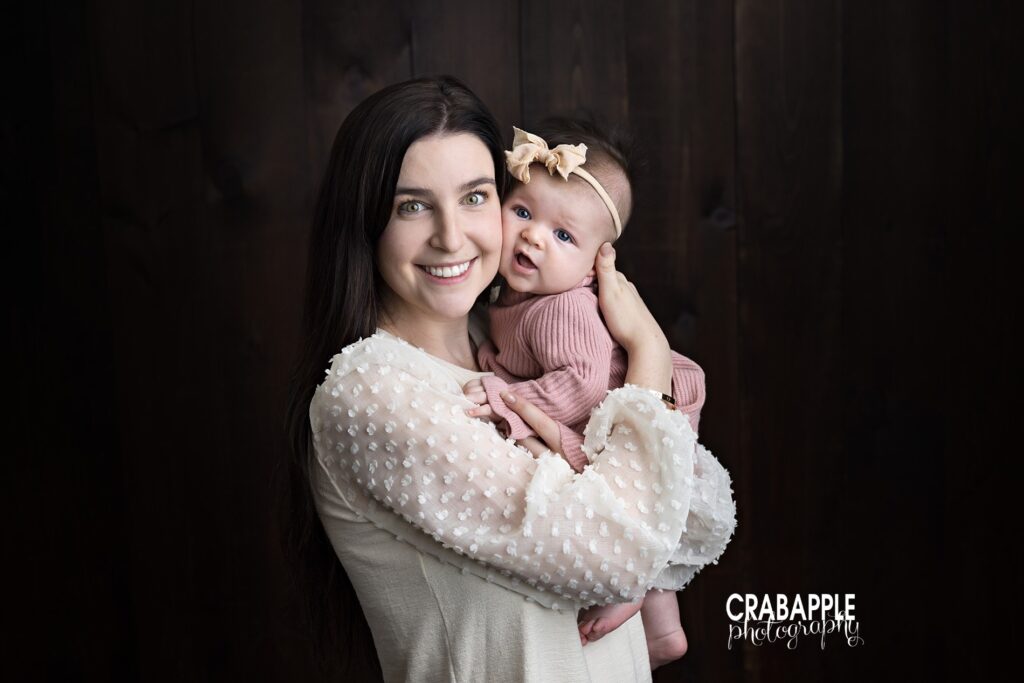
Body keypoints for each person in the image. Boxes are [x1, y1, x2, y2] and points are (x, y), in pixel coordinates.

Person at [285, 75, 736, 682]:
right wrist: (649, 353)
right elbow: (622, 553)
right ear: (366, 221)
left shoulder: (507, 340)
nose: (451, 236)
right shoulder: (371, 392)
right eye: (412, 206)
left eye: (474, 197)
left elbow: (691, 511)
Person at [460, 119, 733, 668]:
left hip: (656, 404)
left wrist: (508, 395)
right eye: (523, 213)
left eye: (564, 236)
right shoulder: (515, 298)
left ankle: (641, 594)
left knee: (639, 509)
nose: (535, 237)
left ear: (597, 263)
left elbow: (580, 384)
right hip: (614, 410)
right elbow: (522, 354)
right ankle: (665, 632)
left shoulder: (563, 307)